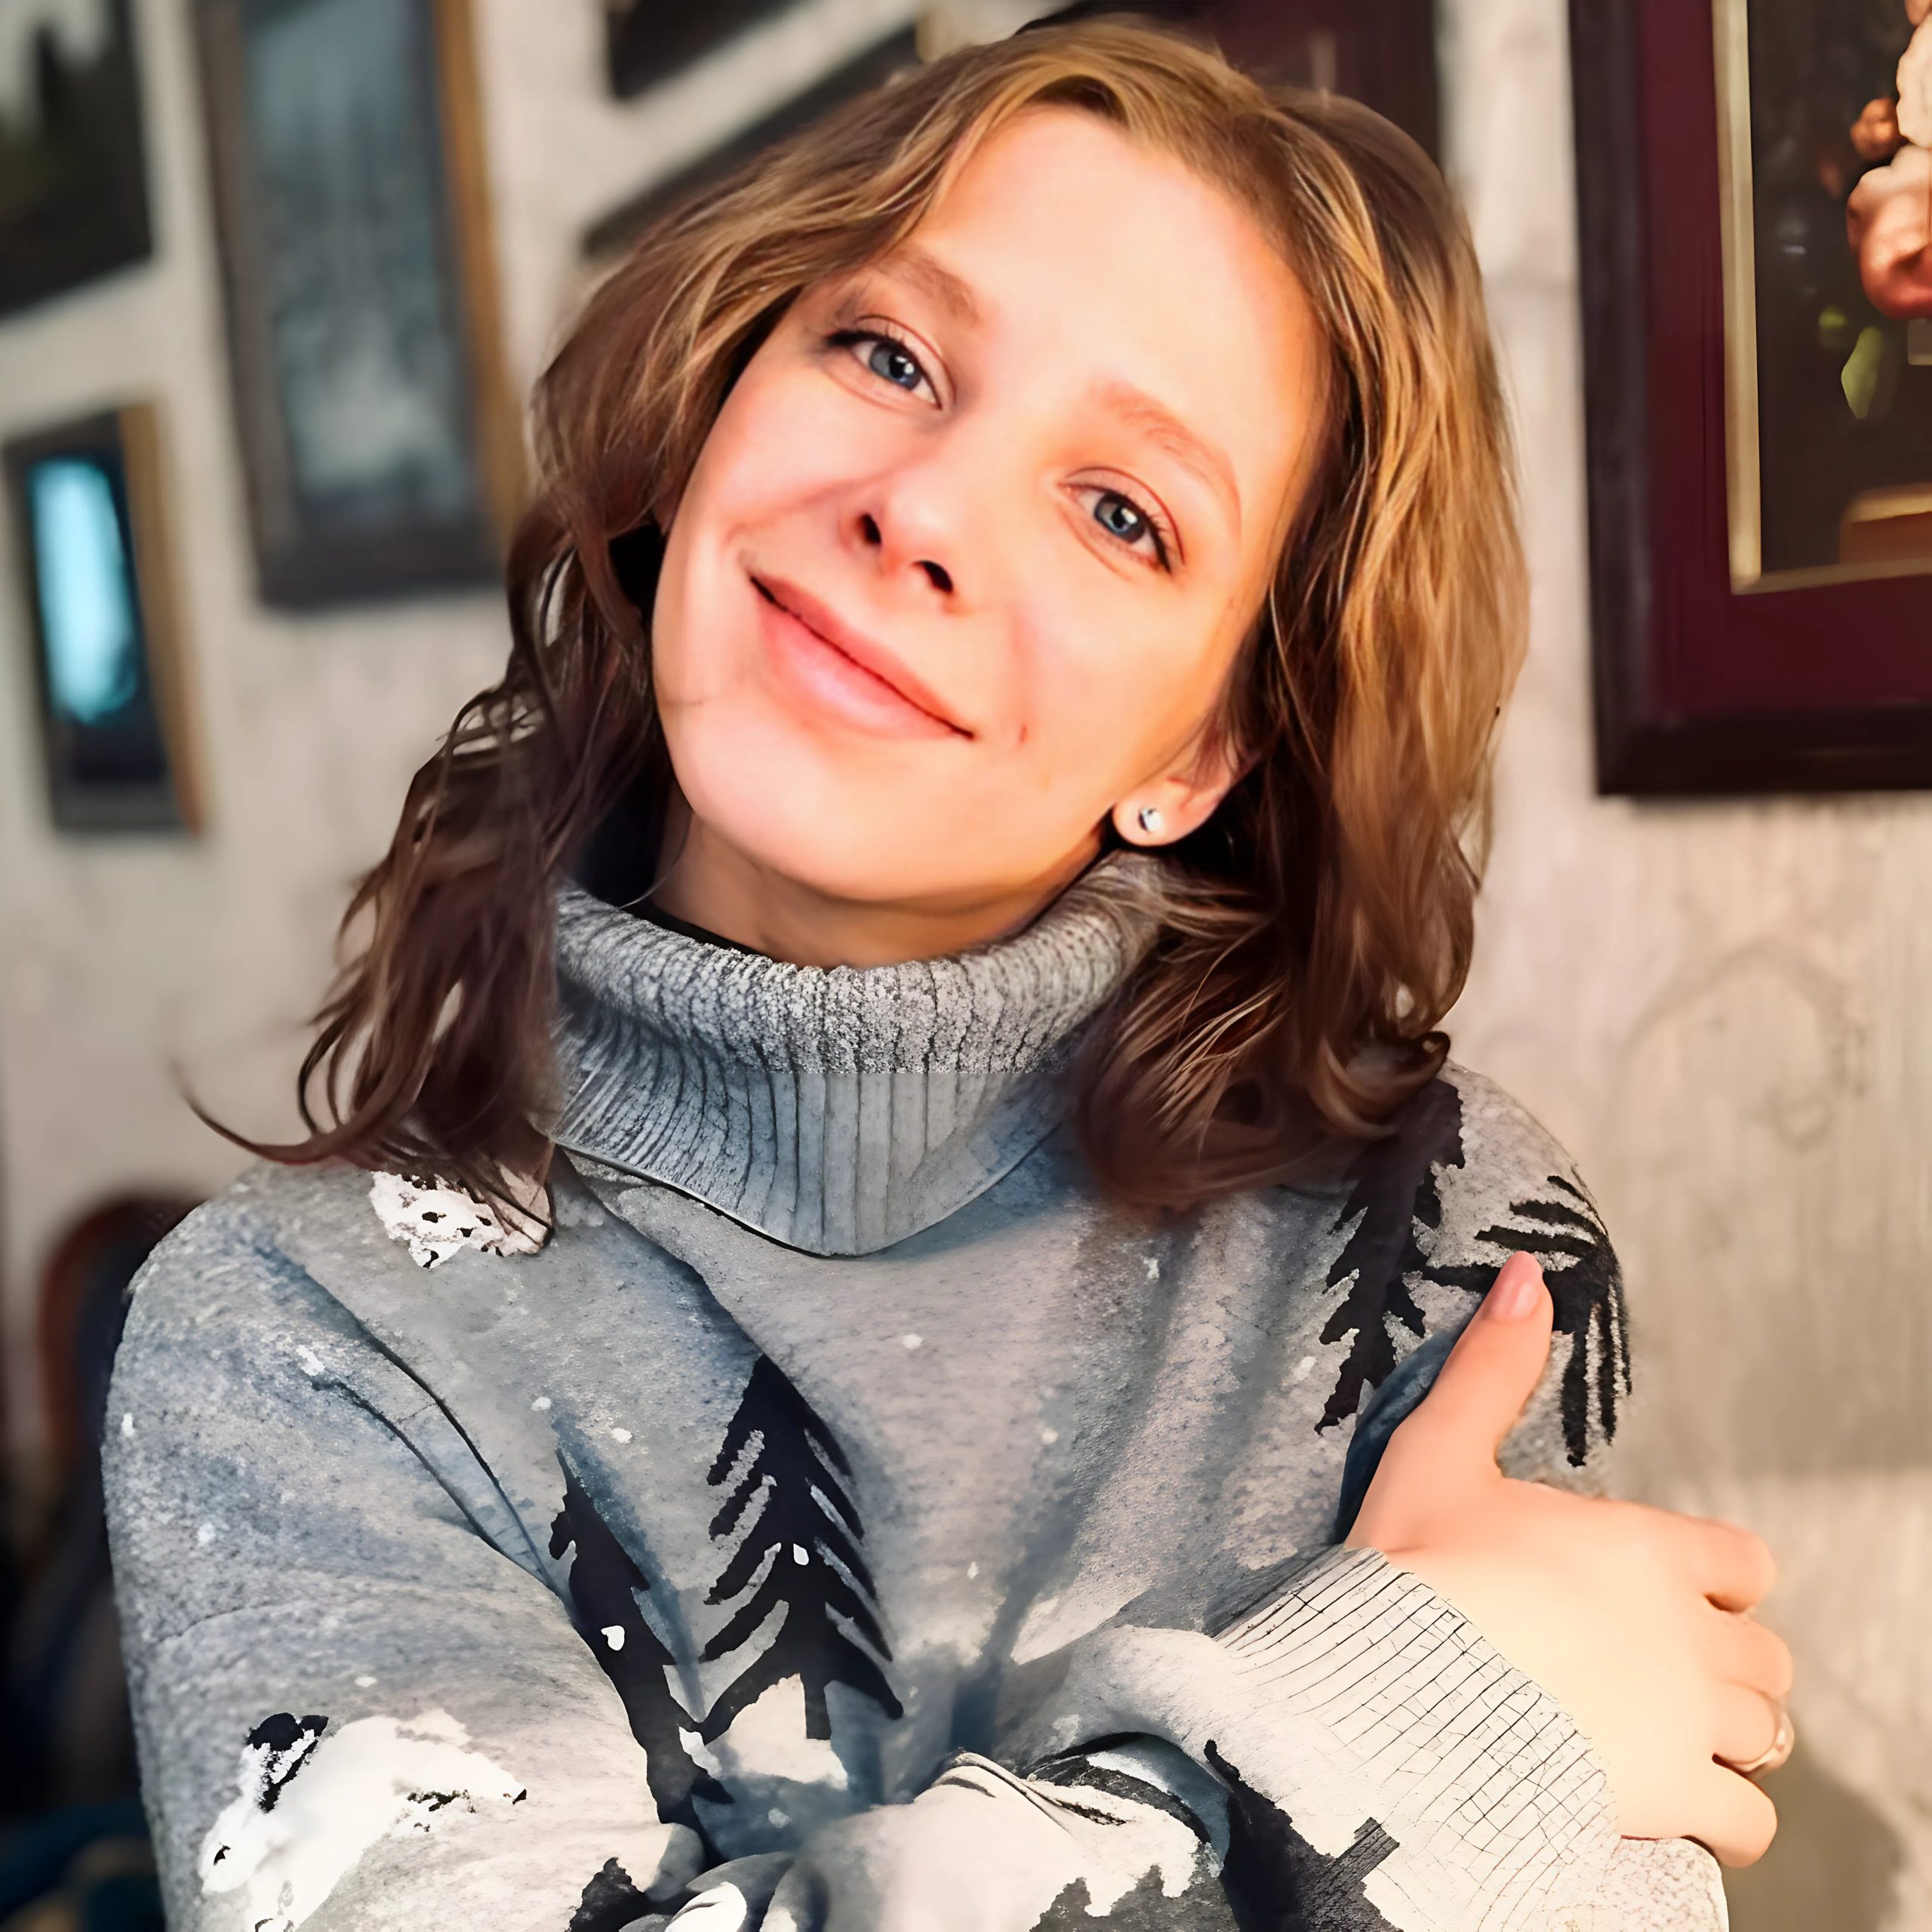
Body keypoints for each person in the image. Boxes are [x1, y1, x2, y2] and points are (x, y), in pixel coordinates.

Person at [103, 18, 1792, 1930]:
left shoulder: (1441, 1235)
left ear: (1201, 752)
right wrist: (1367, 1733)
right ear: (714, 406)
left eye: (1121, 511)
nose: (919, 510)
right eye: (889, 355)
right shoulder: (295, 1340)